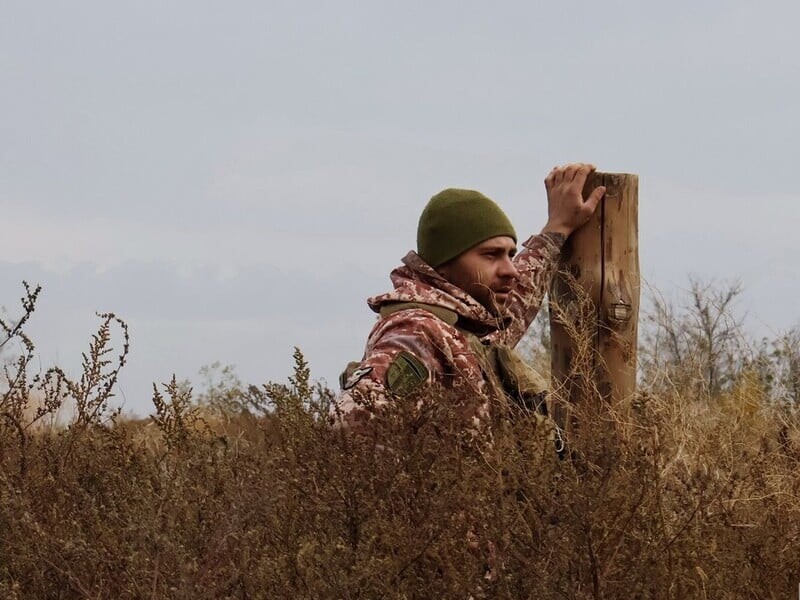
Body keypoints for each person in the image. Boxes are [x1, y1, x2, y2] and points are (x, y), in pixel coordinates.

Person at [332, 163, 606, 434]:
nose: (510, 270)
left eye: (510, 254)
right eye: (491, 255)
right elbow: (351, 427)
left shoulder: (466, 329)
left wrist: (558, 227)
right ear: (443, 264)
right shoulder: (417, 331)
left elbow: (516, 302)